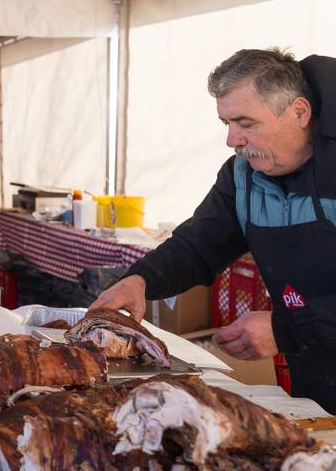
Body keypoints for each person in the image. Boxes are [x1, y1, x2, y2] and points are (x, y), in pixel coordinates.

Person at [91, 48, 336, 413]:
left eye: (246, 123)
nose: (232, 140)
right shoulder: (242, 176)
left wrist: (286, 329)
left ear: (299, 112)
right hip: (316, 380)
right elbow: (198, 245)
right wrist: (140, 280)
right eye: (227, 124)